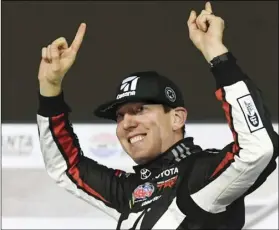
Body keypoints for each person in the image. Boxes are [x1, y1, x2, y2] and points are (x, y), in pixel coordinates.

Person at [37, 2, 278, 229]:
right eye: (120, 116)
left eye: (139, 110)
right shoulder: (131, 191)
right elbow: (66, 168)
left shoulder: (198, 174)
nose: (127, 123)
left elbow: (258, 149)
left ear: (177, 118)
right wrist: (50, 90)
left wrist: (217, 55)